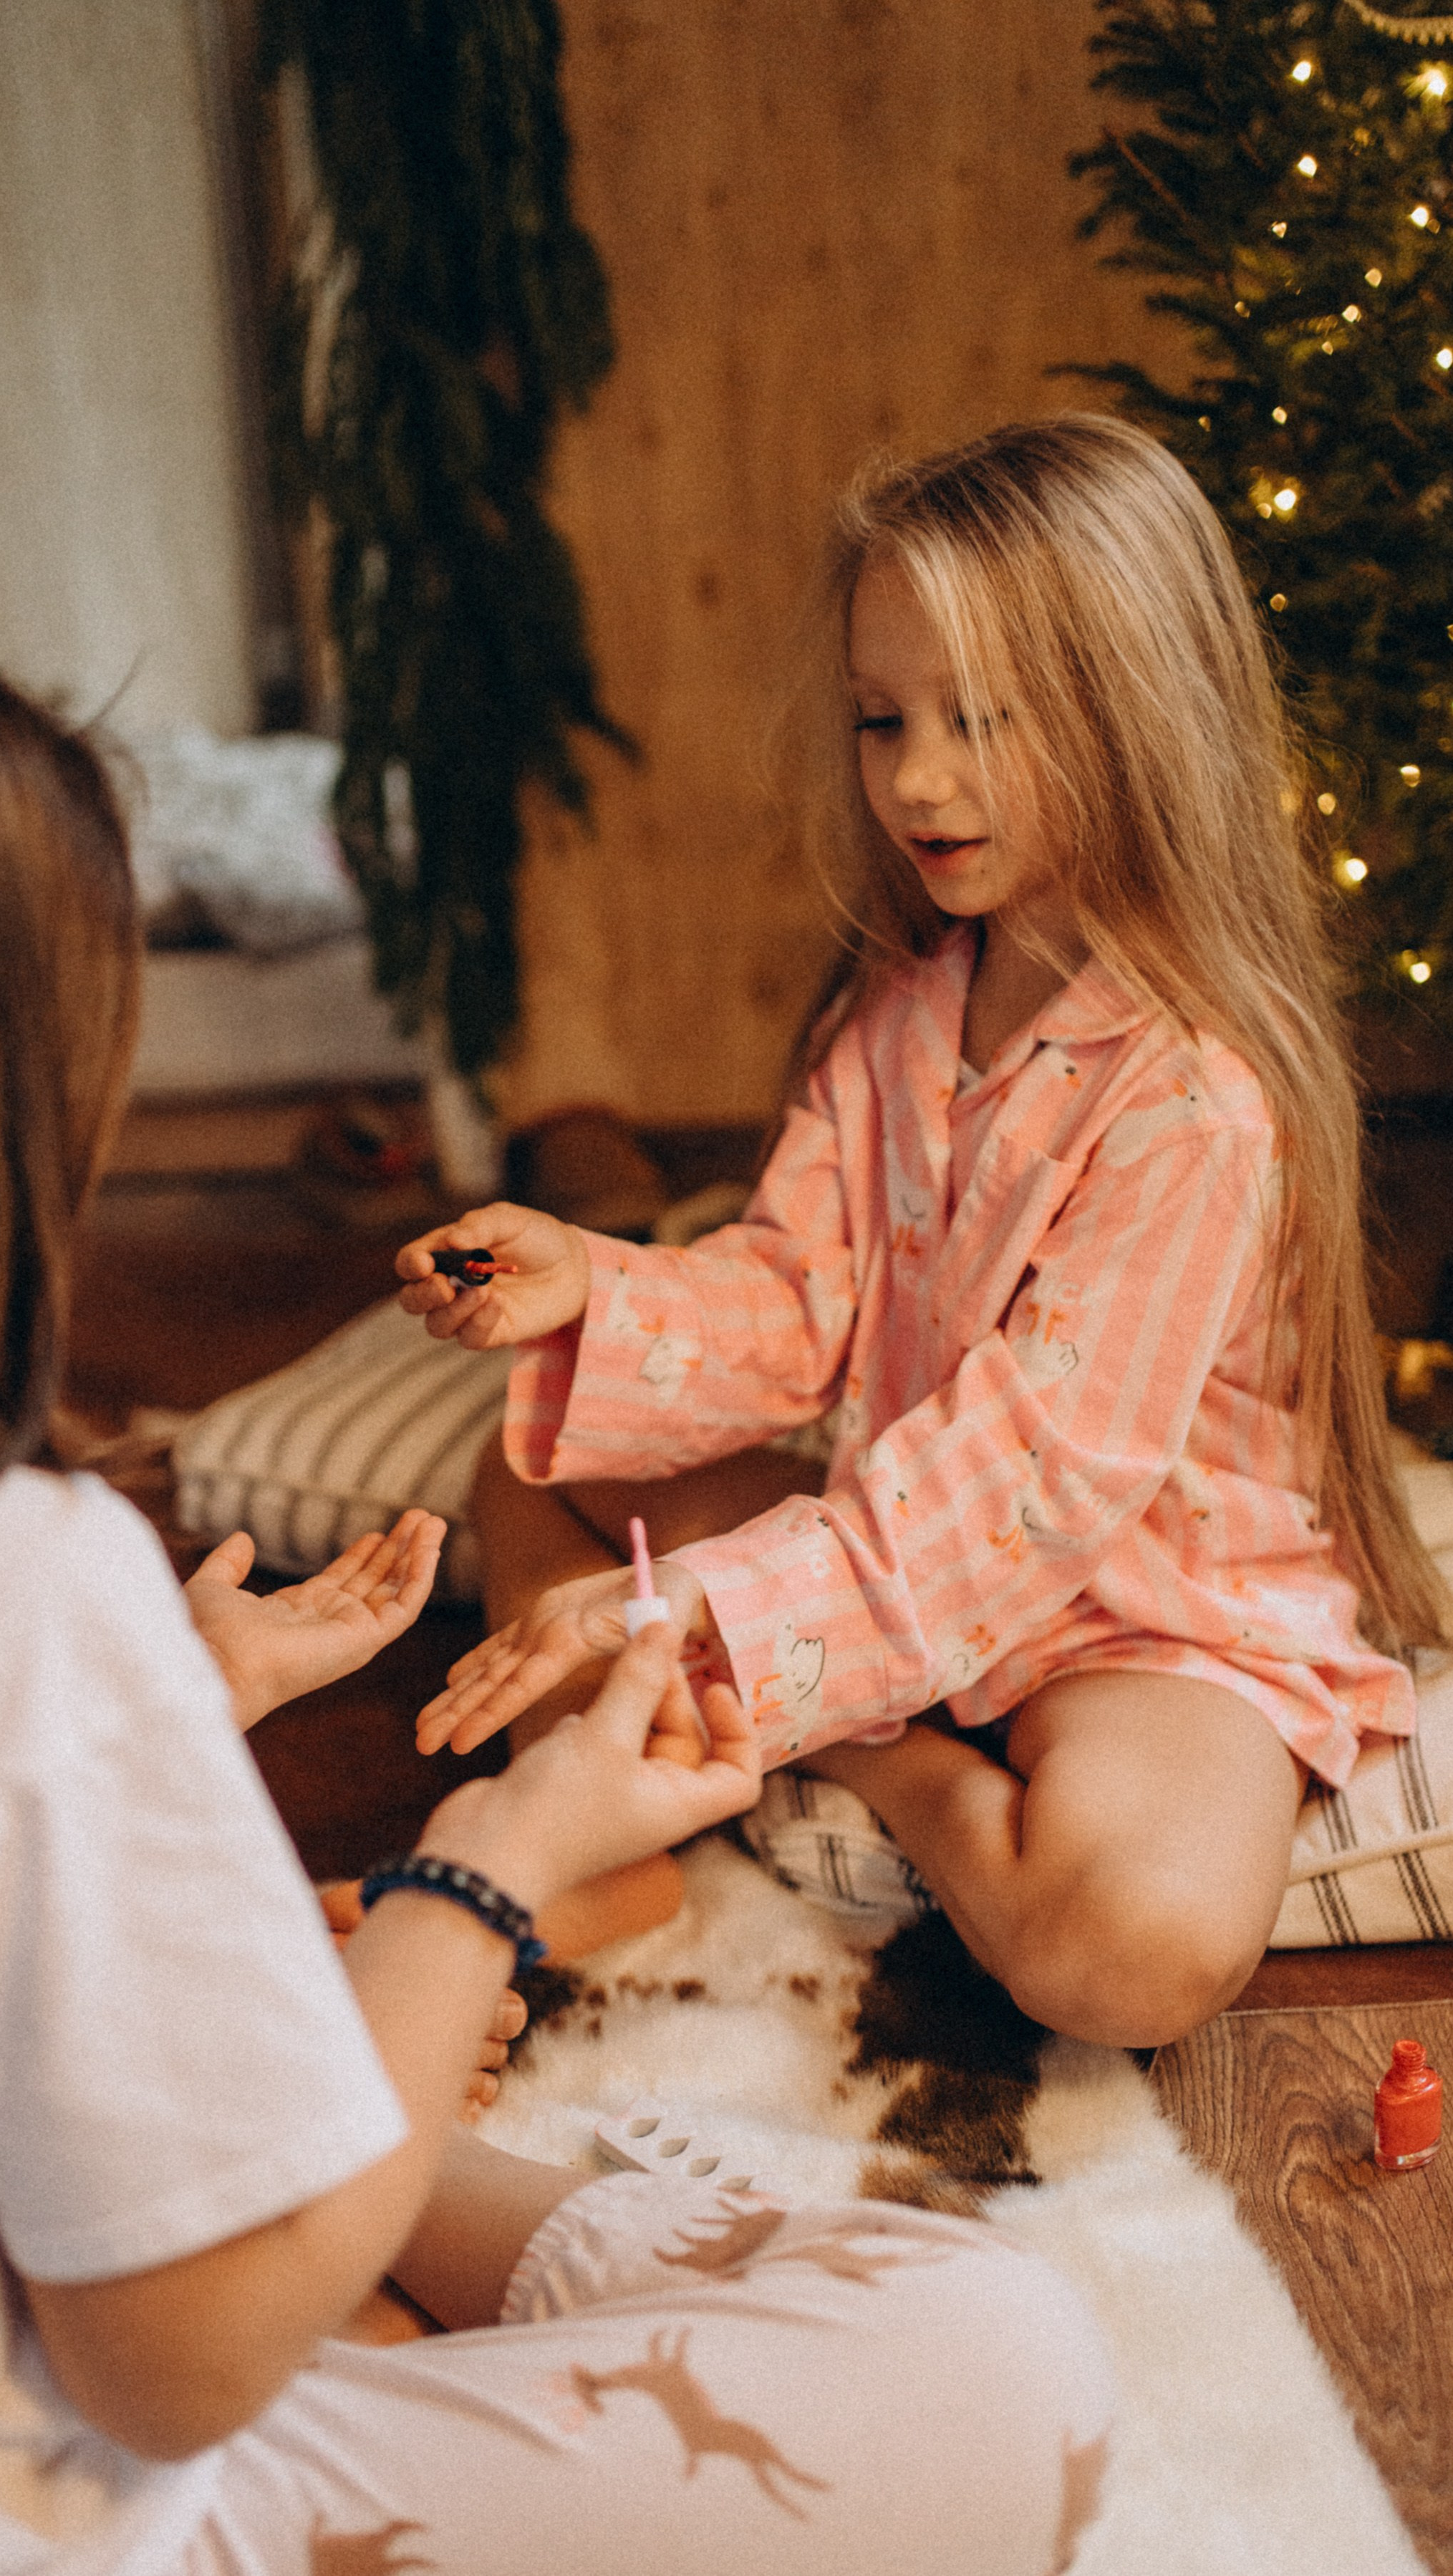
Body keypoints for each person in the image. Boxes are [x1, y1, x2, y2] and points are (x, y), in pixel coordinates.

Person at [0, 589, 1117, 2576]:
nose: (917, 775)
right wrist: (487, 1869)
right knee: (996, 2361)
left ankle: (330, 2127)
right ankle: (340, 2140)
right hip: (15, 2509)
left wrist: (155, 1712)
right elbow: (177, 2368)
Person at [397, 413, 1451, 2050]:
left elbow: (1031, 1488)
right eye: (881, 718)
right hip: (893, 1531)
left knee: (1132, 1948)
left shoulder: (1195, 1097)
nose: (914, 779)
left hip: (1134, 1603)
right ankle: (603, 1823)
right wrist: (588, 1278)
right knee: (528, 1455)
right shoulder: (898, 1008)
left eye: (979, 719)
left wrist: (697, 1614)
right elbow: (797, 1296)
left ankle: (864, 1745)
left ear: (1135, 713)